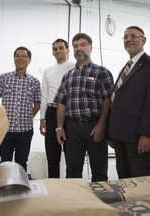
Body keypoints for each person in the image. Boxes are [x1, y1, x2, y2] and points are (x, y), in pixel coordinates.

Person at [54, 33, 114, 182]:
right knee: (72, 172)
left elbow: (108, 100)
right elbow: (61, 102)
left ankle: (100, 203)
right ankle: (76, 204)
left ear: (90, 48)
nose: (79, 48)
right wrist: (59, 128)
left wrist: (101, 125)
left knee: (99, 172)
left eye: (82, 45)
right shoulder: (68, 76)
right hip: (72, 129)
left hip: (94, 127)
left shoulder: (102, 72)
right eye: (75, 46)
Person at [108, 26, 150, 179]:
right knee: (124, 181)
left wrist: (147, 135)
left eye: (133, 36)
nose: (129, 39)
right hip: (120, 136)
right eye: (125, 37)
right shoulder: (127, 67)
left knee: (141, 182)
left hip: (138, 137)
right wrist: (111, 133)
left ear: (143, 40)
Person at [0, 46, 41, 172]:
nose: (20, 58)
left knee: (22, 162)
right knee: (4, 161)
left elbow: (37, 104)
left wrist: (28, 117)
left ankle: (21, 188)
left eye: (24, 56)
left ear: (29, 60)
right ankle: (4, 187)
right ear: (14, 59)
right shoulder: (3, 78)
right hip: (6, 129)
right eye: (17, 56)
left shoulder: (34, 82)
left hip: (25, 130)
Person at [39, 38, 75, 178]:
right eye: (55, 49)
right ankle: (54, 185)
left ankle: (70, 185)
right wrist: (42, 118)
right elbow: (44, 95)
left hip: (69, 112)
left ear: (68, 50)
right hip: (51, 112)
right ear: (52, 52)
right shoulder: (48, 70)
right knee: (52, 153)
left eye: (61, 48)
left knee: (71, 153)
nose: (58, 51)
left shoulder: (74, 66)